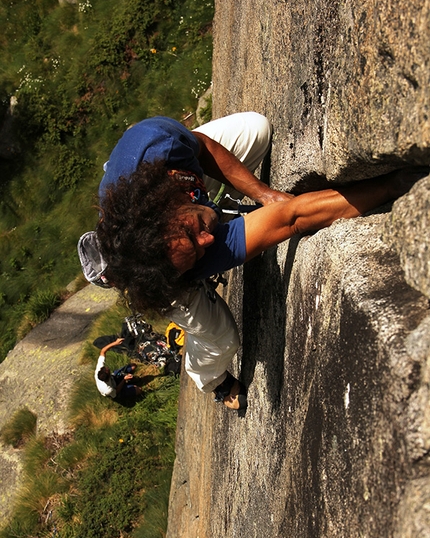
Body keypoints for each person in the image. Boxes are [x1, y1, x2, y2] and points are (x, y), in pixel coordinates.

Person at [80, 112, 427, 412]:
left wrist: (263, 194)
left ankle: (216, 204)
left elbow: (200, 145)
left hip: (168, 182)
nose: (209, 240)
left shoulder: (152, 144)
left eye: (192, 231)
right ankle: (211, 381)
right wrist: (398, 184)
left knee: (257, 131)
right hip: (169, 276)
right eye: (199, 250)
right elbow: (292, 219)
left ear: (163, 210)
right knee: (222, 338)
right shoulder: (176, 266)